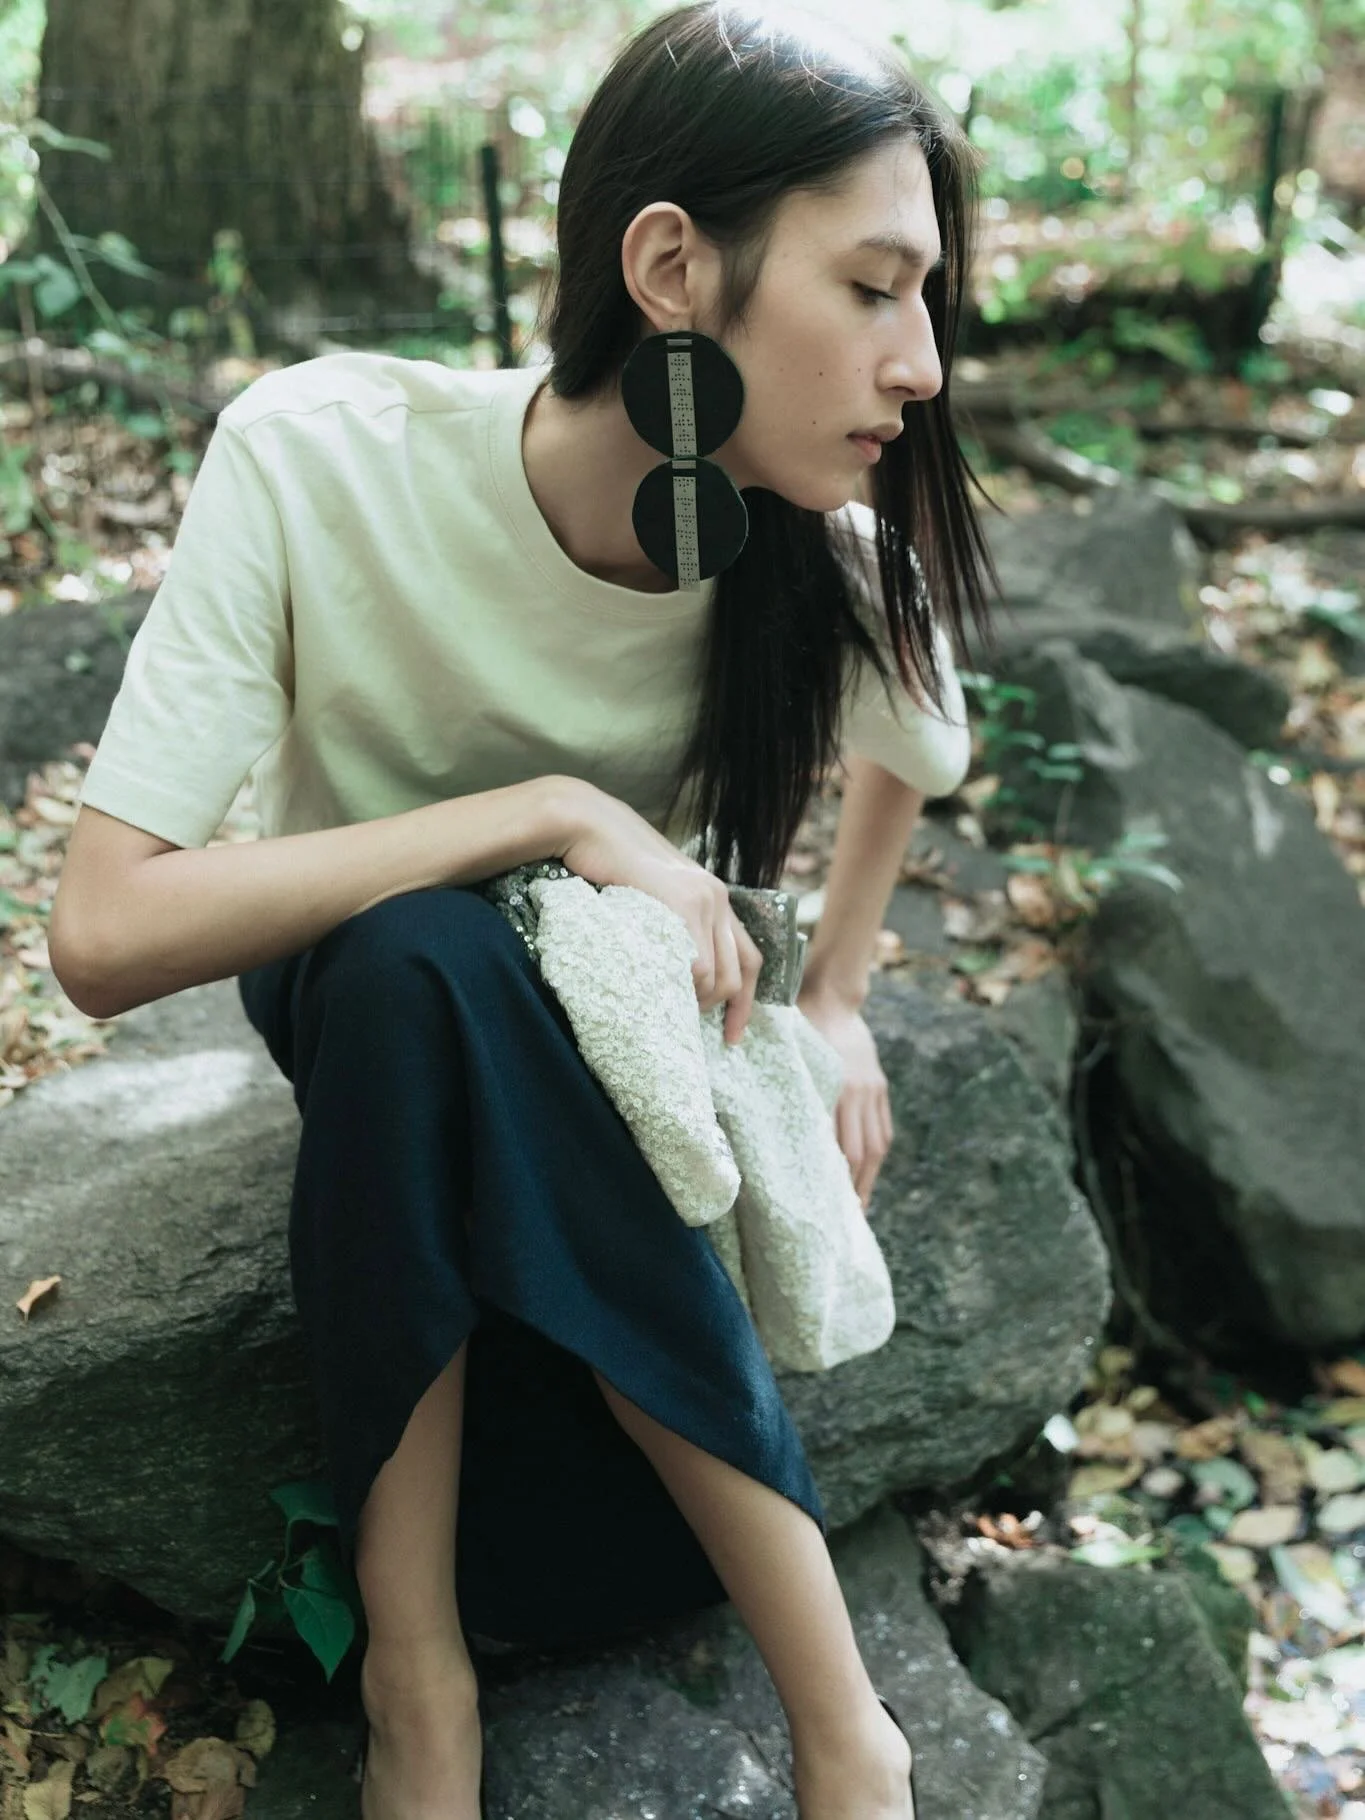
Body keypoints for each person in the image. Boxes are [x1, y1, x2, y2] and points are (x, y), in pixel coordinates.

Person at [49, 3, 999, 1816]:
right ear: (669, 264)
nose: (924, 361)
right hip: (366, 988)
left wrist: (845, 998)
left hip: (612, 1043)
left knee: (465, 965)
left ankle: (822, 1728)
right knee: (419, 955)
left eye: (927, 299)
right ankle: (450, 1686)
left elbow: (921, 756)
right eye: (874, 289)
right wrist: (554, 813)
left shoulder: (802, 548)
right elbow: (102, 936)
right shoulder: (321, 454)